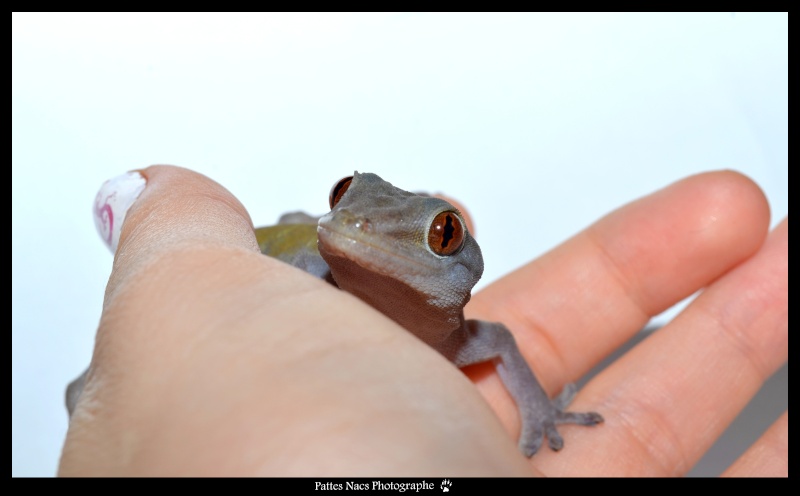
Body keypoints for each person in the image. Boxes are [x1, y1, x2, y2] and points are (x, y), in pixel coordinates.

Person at [59, 165, 787, 476]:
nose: (348, 227)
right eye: (344, 196)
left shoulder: (465, 337)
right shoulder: (316, 267)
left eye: (440, 236)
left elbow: (496, 342)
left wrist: (538, 415)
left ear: (461, 264)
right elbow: (323, 240)